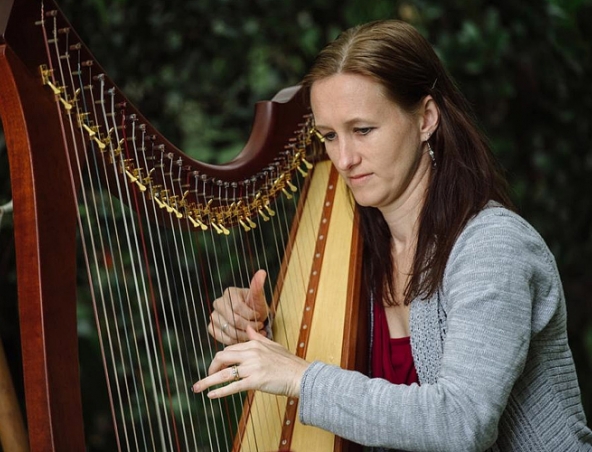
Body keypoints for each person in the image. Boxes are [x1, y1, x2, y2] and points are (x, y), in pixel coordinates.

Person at [192, 19, 592, 451]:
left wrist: (297, 376)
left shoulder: (494, 247)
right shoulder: (358, 251)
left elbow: (461, 424)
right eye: (329, 136)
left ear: (426, 118)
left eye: (363, 130)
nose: (344, 159)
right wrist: (263, 330)